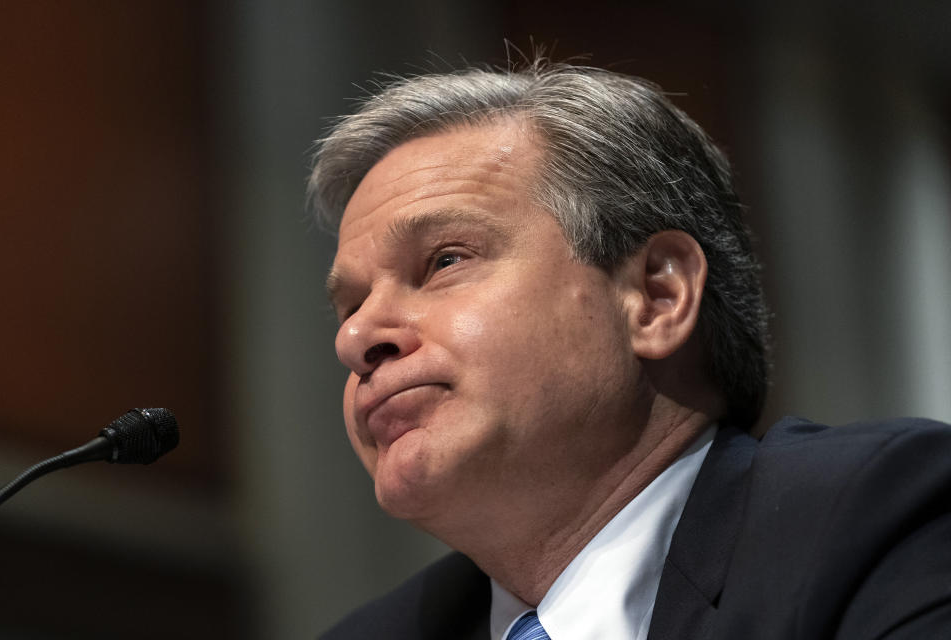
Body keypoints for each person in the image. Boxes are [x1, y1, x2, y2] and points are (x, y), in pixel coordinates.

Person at [308, 60, 951, 639]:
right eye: (351, 305)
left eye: (445, 260)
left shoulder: (878, 528)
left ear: (655, 297)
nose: (355, 338)